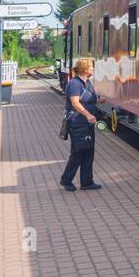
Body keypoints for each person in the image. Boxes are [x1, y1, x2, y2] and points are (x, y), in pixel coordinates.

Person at [60, 58, 102, 192]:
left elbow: (90, 97)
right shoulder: (74, 84)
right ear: (85, 69)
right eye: (91, 67)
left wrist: (99, 100)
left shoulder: (87, 83)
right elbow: (75, 103)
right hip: (77, 122)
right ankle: (66, 180)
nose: (93, 69)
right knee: (78, 152)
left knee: (88, 151)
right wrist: (88, 114)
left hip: (87, 123)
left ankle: (87, 182)